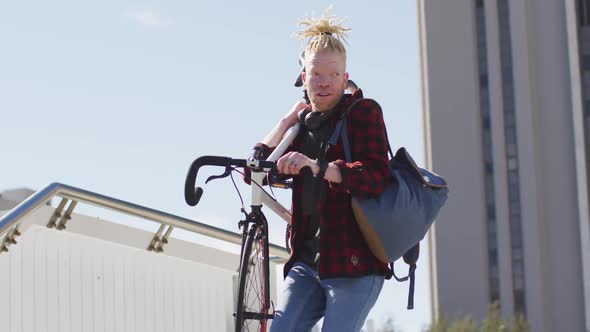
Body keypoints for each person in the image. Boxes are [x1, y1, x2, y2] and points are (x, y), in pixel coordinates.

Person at [252, 8, 392, 332]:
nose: (325, 83)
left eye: (333, 75)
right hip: (307, 264)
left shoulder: (363, 112)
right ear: (304, 77)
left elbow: (375, 176)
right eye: (316, 74)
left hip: (354, 265)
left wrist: (319, 168)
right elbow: (255, 172)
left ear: (345, 78)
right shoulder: (300, 126)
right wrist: (285, 122)